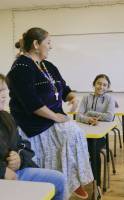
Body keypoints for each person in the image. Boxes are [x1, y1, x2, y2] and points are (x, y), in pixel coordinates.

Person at [6, 27, 93, 199]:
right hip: (34, 124)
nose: (51, 46)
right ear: (37, 44)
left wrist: (73, 98)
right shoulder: (21, 68)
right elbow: (31, 103)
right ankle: (63, 183)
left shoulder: (47, 65)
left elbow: (64, 88)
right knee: (71, 134)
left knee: (74, 134)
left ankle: (71, 181)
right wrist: (56, 117)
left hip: (52, 119)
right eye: (48, 43)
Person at [0, 73, 65, 200]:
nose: (4, 95)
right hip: (4, 176)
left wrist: (19, 158)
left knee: (59, 180)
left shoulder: (6, 117)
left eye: (3, 90)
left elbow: (23, 144)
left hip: (16, 172)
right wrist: (2, 171)